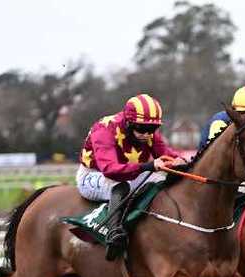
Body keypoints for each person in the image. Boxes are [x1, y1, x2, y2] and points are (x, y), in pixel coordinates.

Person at [77, 93, 187, 259]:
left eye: (152, 129)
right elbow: (110, 169)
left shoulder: (146, 130)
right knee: (120, 185)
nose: (147, 134)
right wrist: (149, 166)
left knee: (163, 182)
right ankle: (113, 234)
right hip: (94, 175)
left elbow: (166, 154)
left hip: (130, 173)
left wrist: (181, 161)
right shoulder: (104, 129)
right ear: (128, 123)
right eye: (142, 129)